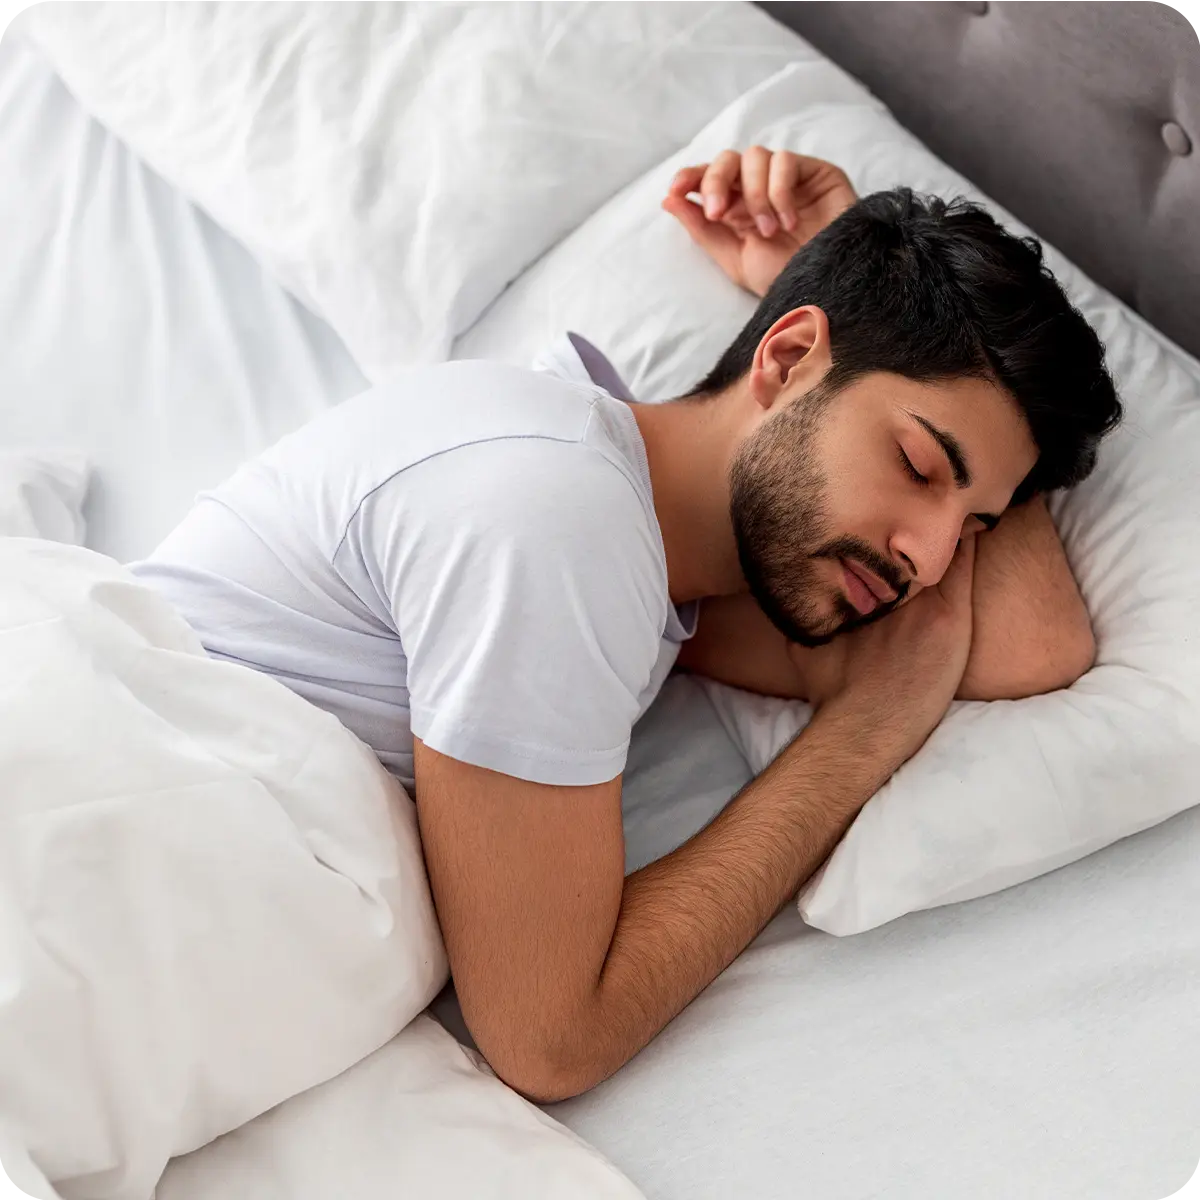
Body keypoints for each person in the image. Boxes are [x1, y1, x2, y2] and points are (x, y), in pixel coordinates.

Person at [130, 148, 1121, 1103]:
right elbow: (550, 1038)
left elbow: (1033, 649)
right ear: (785, 357)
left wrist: (874, 293)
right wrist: (859, 738)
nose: (933, 561)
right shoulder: (555, 512)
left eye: (976, 525)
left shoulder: (658, 571)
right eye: (917, 463)